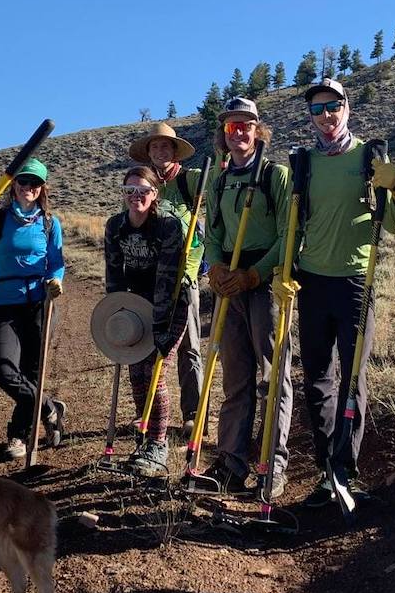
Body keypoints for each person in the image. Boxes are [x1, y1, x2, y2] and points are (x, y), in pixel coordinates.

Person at [282, 79, 395, 508]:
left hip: (356, 281)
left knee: (353, 379)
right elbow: (294, 223)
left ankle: (345, 470)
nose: (326, 116)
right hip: (313, 281)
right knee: (318, 379)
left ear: (347, 108)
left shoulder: (369, 157)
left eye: (333, 106)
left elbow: (392, 223)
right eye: (317, 110)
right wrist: (285, 270)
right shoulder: (305, 163)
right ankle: (326, 472)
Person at [203, 98, 294, 497]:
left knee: (273, 377)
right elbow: (213, 233)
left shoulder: (276, 176)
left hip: (266, 282)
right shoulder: (220, 180)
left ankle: (272, 465)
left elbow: (288, 233)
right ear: (223, 134)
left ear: (258, 130)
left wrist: (255, 274)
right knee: (236, 377)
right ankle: (231, 462)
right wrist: (217, 268)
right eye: (231, 126)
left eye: (246, 125)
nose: (238, 132)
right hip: (230, 284)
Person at [0, 151, 66, 459]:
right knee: (1, 370)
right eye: (23, 181)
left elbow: (56, 261)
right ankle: (49, 407)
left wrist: (56, 280)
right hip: (5, 304)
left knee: (31, 372)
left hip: (39, 304)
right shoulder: (0, 218)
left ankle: (18, 435)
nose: (28, 187)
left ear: (42, 188)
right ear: (13, 185)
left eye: (35, 183)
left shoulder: (49, 223)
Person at [103, 165, 189, 476]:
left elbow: (167, 277)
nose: (135, 196)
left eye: (143, 191)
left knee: (155, 374)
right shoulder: (115, 226)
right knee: (136, 374)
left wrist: (161, 323)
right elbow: (114, 273)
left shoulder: (167, 226)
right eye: (130, 191)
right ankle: (143, 436)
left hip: (170, 305)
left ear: (155, 194)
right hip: (135, 307)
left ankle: (158, 443)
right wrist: (116, 313)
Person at [128, 121, 205, 435]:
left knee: (189, 346)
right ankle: (145, 412)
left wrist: (191, 272)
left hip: (184, 277)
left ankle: (193, 415)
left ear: (175, 151)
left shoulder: (190, 180)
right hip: (150, 281)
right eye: (155, 147)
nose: (160, 151)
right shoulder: (143, 184)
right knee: (144, 346)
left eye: (165, 146)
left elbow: (219, 185)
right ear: (149, 153)